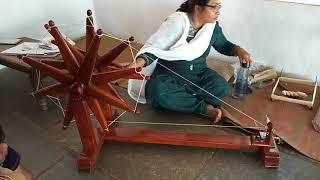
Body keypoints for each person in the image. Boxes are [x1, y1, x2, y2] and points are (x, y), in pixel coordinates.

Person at [128, 0, 251, 123]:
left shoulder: (212, 27)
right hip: (170, 76)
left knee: (221, 86)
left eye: (219, 6)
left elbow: (223, 45)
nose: (218, 11)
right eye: (214, 6)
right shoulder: (177, 22)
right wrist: (137, 64)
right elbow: (154, 48)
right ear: (198, 8)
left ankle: (182, 102)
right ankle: (203, 108)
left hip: (198, 75)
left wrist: (239, 50)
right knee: (158, 90)